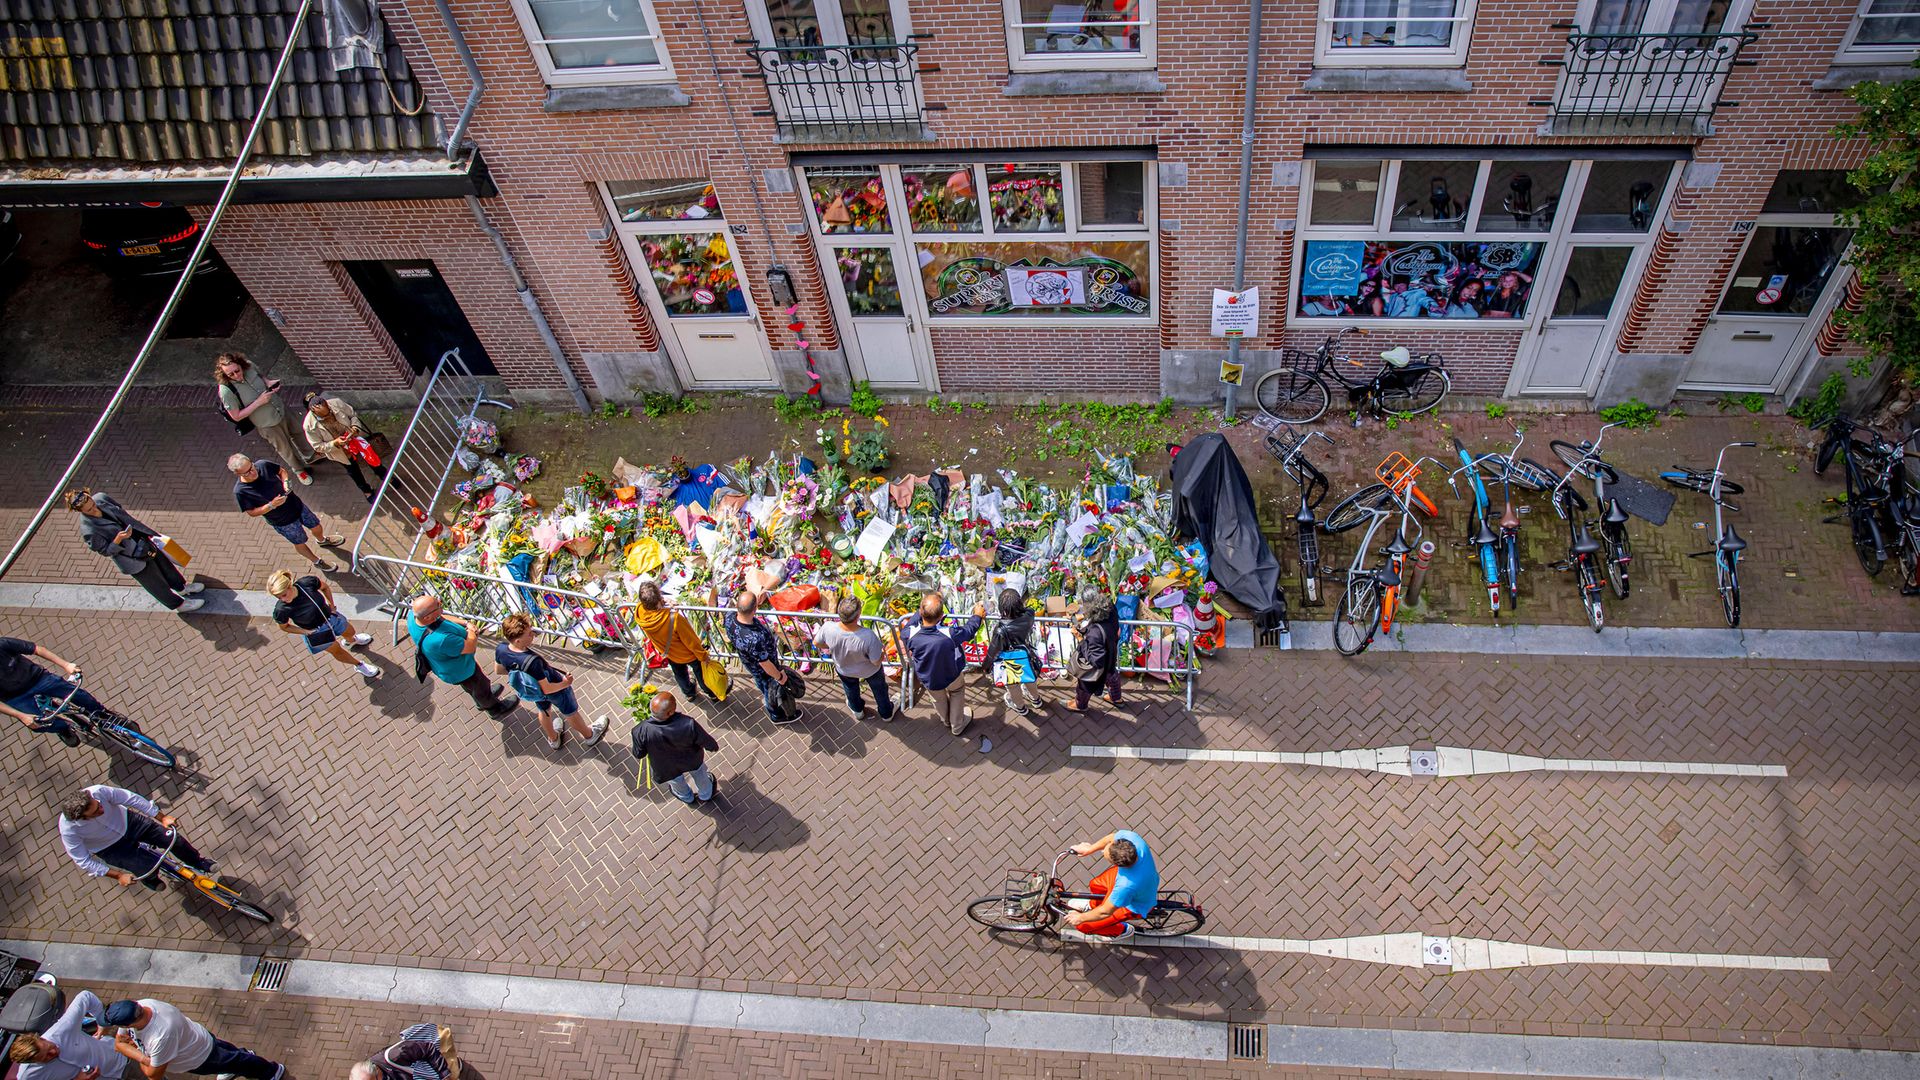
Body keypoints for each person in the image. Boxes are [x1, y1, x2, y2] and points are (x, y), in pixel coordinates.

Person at [67, 489, 204, 614]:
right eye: (90, 510)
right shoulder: (88, 530)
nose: (94, 509)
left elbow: (119, 510)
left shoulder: (101, 498)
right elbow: (106, 551)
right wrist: (118, 539)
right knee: (155, 583)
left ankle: (181, 587)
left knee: (165, 565)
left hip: (141, 539)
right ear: (81, 511)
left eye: (93, 504)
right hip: (131, 557)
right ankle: (179, 605)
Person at [57, 785, 211, 890]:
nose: (101, 807)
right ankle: (150, 880)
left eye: (98, 804)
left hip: (129, 823)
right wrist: (118, 875)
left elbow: (130, 799)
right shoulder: (69, 830)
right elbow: (83, 861)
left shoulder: (98, 791)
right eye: (96, 811)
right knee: (145, 868)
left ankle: (198, 862)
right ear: (82, 818)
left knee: (174, 840)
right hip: (110, 847)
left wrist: (162, 817)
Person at [495, 612, 608, 751]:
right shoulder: (532, 662)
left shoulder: (501, 649)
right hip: (555, 688)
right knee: (570, 712)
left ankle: (553, 739)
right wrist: (566, 683)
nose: (533, 635)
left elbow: (499, 670)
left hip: (533, 690)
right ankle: (590, 735)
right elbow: (547, 689)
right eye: (529, 634)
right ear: (518, 640)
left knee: (544, 710)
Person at [103, 998, 283, 1080]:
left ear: (127, 1025)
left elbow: (153, 1074)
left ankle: (272, 1072)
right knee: (232, 1056)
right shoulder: (140, 1006)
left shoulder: (161, 1035)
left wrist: (140, 1056)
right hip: (197, 1040)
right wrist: (142, 1055)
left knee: (237, 1061)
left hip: (199, 1057)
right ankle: (242, 1059)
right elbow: (119, 1045)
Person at [408, 594, 518, 718]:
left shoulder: (414, 616)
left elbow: (440, 617)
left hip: (451, 667)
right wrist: (472, 631)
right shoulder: (441, 639)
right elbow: (470, 646)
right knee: (479, 686)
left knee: (474, 687)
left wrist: (466, 623)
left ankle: (482, 698)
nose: (440, 603)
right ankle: (493, 708)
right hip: (461, 670)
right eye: (438, 605)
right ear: (427, 617)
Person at [229, 454, 343, 572]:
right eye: (246, 473)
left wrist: (286, 483)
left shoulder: (263, 464)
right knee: (299, 542)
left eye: (251, 467)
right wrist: (271, 505)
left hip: (297, 506)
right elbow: (252, 512)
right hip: (283, 522)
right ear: (238, 474)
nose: (252, 472)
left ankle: (322, 540)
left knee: (316, 525)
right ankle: (316, 561)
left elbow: (281, 471)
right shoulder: (241, 491)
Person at [215, 352, 311, 485]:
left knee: (299, 431)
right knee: (285, 448)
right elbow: (236, 416)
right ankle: (299, 470)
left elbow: (261, 377)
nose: (236, 375)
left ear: (240, 364)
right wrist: (259, 402)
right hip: (266, 423)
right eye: (230, 374)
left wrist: (269, 383)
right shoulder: (226, 391)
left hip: (280, 409)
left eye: (237, 370)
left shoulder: (249, 365)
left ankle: (310, 456)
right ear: (224, 375)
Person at [1, 636, 112, 748]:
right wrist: (21, 716)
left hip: (38, 678)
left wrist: (66, 665)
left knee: (79, 695)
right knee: (38, 724)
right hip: (15, 696)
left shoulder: (3, 643)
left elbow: (37, 649)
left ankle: (104, 714)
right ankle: (63, 728)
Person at [267, 569, 377, 679]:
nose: (283, 599)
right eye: (278, 597)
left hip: (331, 617)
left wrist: (332, 605)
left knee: (350, 631)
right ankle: (358, 665)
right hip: (316, 631)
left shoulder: (306, 584)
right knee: (337, 651)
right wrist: (305, 632)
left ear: (289, 586)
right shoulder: (281, 610)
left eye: (284, 595)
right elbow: (284, 627)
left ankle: (351, 641)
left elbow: (325, 587)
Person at [900, 593, 983, 737]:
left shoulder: (908, 633)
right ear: (941, 616)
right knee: (957, 692)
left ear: (921, 612)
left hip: (929, 677)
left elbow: (913, 621)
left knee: (937, 699)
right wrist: (977, 616)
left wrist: (924, 607)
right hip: (951, 673)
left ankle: (946, 720)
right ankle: (957, 725)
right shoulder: (949, 633)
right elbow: (968, 631)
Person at [8, 986, 130, 1080]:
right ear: (33, 1063)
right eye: (46, 1057)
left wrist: (102, 1023)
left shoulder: (62, 1030)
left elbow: (85, 997)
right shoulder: (27, 1076)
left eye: (51, 1047)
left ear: (43, 1039)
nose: (54, 1052)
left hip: (123, 1061)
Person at [1061, 829, 1159, 943]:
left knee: (1084, 926)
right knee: (1096, 884)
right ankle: (1092, 906)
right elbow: (1110, 838)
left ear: (1118, 864)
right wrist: (1089, 849)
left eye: (1106, 856)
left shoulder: (1125, 886)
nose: (1103, 852)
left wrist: (1080, 918)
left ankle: (1122, 931)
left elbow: (1105, 912)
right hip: (1137, 878)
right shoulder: (1134, 840)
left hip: (1132, 905)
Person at [630, 580, 712, 707]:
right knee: (700, 673)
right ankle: (710, 692)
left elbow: (651, 606)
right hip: (687, 654)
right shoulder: (673, 618)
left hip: (669, 653)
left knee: (679, 674)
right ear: (658, 600)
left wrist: (663, 601)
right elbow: (691, 641)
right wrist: (703, 655)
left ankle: (689, 693)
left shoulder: (639, 612)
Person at [631, 690, 720, 806]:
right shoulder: (688, 723)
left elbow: (639, 754)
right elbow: (707, 742)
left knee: (676, 782)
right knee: (700, 775)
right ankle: (706, 794)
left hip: (666, 767)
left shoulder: (640, 731)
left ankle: (687, 798)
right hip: (691, 759)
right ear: (669, 713)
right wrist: (713, 747)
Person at [813, 596, 893, 723]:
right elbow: (875, 661)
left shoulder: (828, 627)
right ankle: (886, 714)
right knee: (880, 690)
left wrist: (831, 646)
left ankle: (858, 711)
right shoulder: (868, 636)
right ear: (858, 615)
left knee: (850, 689)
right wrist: (882, 653)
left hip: (844, 669)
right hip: (870, 671)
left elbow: (816, 643)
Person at [302, 391, 387, 502]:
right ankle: (366, 490)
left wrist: (355, 427)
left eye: (329, 410)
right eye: (324, 415)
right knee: (354, 472)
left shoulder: (336, 403)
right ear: (313, 411)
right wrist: (335, 443)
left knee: (372, 459)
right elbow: (317, 446)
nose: (328, 414)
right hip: (341, 453)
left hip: (355, 441)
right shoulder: (308, 426)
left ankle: (385, 477)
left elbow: (353, 415)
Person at [726, 592, 793, 725]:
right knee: (770, 690)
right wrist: (779, 677)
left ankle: (766, 695)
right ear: (755, 609)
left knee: (761, 683)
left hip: (749, 663)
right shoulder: (753, 639)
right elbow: (765, 664)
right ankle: (776, 715)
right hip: (763, 670)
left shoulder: (729, 618)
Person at [988, 587, 1044, 717]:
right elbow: (1027, 610)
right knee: (1030, 678)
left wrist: (986, 667)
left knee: (1013, 686)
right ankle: (1036, 699)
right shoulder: (1029, 614)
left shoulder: (1000, 630)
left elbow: (992, 651)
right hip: (1026, 655)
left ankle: (1020, 707)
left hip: (1010, 662)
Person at [1069, 585, 1123, 713]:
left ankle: (1080, 705)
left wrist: (1080, 638)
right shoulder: (1110, 607)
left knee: (1085, 684)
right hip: (1111, 651)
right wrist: (1085, 618)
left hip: (1099, 665)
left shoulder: (1094, 634)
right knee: (1112, 675)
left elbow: (1096, 660)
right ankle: (1116, 699)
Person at [347, 1024, 453, 1080]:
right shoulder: (374, 1075)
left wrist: (444, 1075)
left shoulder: (395, 1055)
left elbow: (427, 1049)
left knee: (450, 1067)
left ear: (377, 1070)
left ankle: (454, 1066)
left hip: (423, 1070)